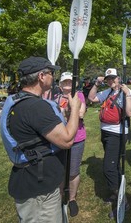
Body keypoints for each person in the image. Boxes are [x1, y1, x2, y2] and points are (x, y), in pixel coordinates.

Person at [2, 56, 81, 223]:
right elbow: (66, 140)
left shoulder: (18, 101)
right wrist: (75, 108)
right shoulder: (35, 107)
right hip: (38, 189)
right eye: (51, 73)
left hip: (32, 178)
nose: (53, 77)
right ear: (41, 76)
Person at [88, 68, 131, 215]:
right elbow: (91, 99)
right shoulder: (107, 92)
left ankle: (123, 202)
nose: (111, 81)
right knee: (114, 166)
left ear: (118, 78)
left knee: (109, 167)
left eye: (113, 78)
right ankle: (116, 192)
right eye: (108, 78)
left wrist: (127, 94)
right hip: (106, 132)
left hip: (118, 134)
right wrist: (96, 84)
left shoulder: (125, 92)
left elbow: (130, 112)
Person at [55, 71, 87, 217]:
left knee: (73, 171)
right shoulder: (55, 98)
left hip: (76, 138)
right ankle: (61, 196)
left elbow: (81, 114)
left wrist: (68, 109)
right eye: (64, 83)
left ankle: (72, 198)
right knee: (60, 170)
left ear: (74, 83)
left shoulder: (79, 96)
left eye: (70, 82)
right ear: (60, 85)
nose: (67, 85)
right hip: (58, 138)